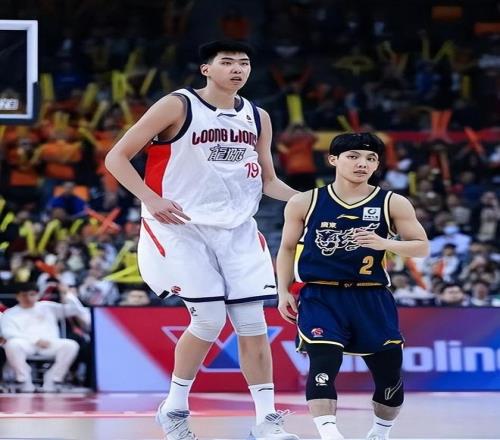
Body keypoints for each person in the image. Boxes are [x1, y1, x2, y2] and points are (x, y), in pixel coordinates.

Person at [105, 40, 299, 440]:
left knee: (253, 323)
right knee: (209, 320)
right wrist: (150, 199)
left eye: (244, 63)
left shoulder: (258, 116)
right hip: (179, 225)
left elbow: (269, 181)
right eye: (227, 62)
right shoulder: (177, 105)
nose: (237, 69)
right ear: (206, 69)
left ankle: (266, 420)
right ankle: (174, 408)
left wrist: (313, 200)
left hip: (238, 229)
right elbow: (116, 157)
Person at [276, 132, 429, 440]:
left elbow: (421, 246)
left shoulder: (392, 202)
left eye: (371, 158)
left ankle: (380, 433)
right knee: (323, 360)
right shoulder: (305, 201)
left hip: (371, 295)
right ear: (333, 159)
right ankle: (329, 433)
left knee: (389, 375)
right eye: (354, 156)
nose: (363, 164)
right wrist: (283, 291)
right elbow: (287, 247)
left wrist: (385, 243)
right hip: (321, 294)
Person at [1, 283, 90, 392]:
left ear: (38, 295)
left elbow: (76, 310)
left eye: (32, 294)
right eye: (24, 295)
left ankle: (53, 378)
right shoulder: (10, 313)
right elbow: (8, 333)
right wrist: (35, 340)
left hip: (50, 344)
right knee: (12, 344)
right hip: (26, 345)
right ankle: (23, 379)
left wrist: (67, 294)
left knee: (71, 345)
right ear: (18, 296)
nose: (28, 298)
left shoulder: (47, 307)